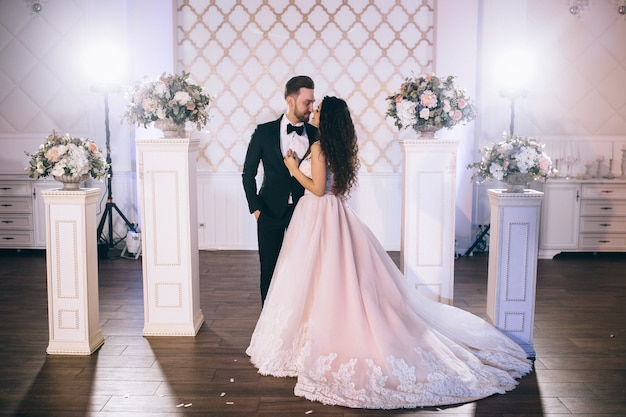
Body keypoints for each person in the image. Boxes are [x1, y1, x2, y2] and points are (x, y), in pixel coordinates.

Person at [246, 96, 532, 409]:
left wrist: (291, 167)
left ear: (326, 120)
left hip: (317, 215)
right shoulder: (340, 148)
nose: (312, 112)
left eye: (318, 111)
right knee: (330, 277)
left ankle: (313, 337)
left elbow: (316, 189)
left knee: (314, 277)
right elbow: (335, 189)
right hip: (335, 213)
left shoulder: (318, 147)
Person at [242, 76, 318, 305]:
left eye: (313, 102)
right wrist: (256, 209)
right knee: (270, 270)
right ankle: (267, 321)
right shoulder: (264, 132)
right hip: (269, 212)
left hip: (304, 213)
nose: (311, 109)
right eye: (307, 102)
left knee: (301, 270)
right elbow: (248, 174)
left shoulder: (316, 135)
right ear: (290, 101)